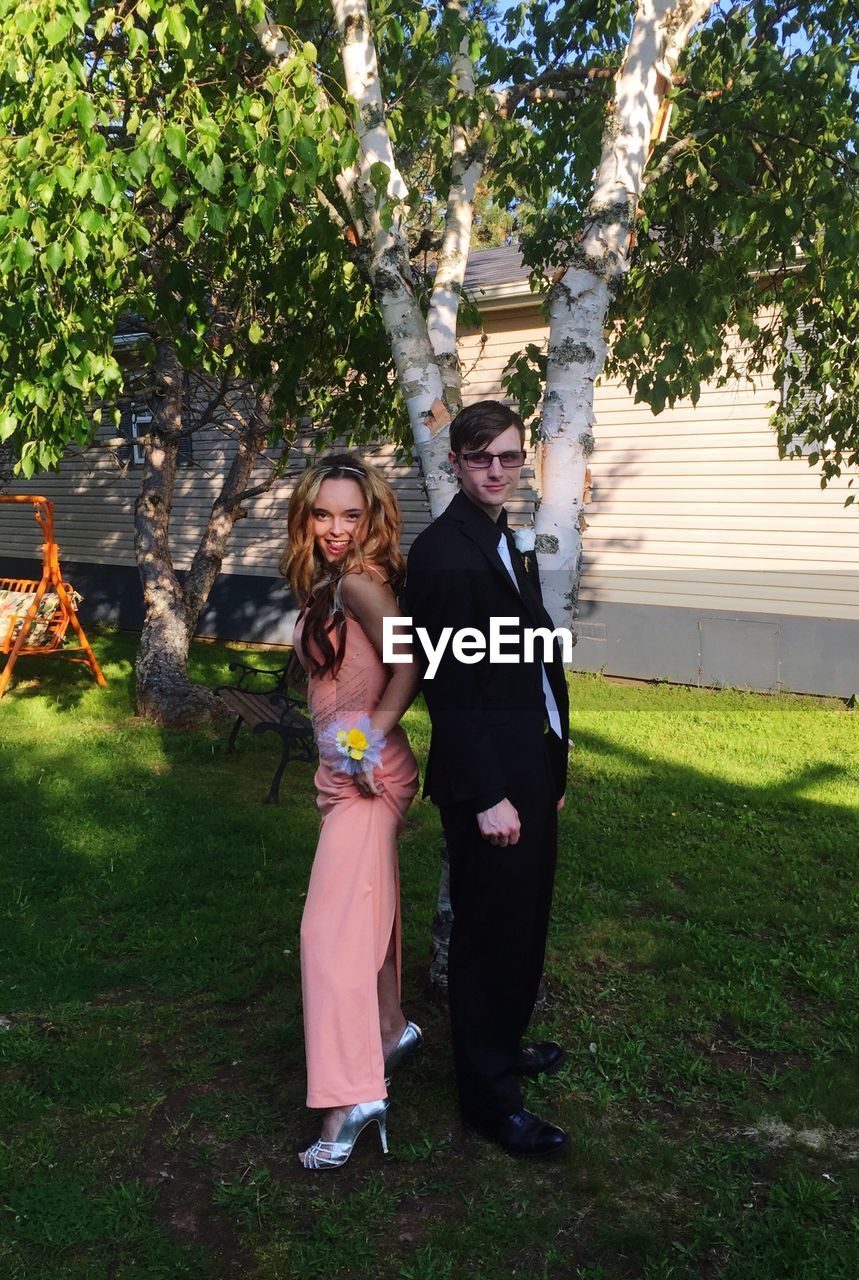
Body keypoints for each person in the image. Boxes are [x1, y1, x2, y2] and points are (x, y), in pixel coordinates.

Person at [404, 401, 571, 1157]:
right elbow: (446, 687)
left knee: (524, 926)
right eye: (480, 460)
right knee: (488, 940)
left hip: (527, 762)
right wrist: (487, 793)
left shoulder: (503, 537)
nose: (496, 471)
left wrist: (550, 762)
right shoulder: (443, 552)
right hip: (489, 779)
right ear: (456, 464)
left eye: (507, 457)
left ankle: (502, 1048)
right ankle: (487, 1099)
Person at [280, 454, 421, 1169]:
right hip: (345, 777)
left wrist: (372, 741)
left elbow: (410, 660)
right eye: (324, 513)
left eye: (351, 515)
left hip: (368, 779)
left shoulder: (362, 582)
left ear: (370, 518)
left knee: (326, 935)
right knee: (364, 913)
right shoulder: (331, 581)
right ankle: (391, 1029)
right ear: (307, 514)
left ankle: (351, 1097)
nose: (337, 528)